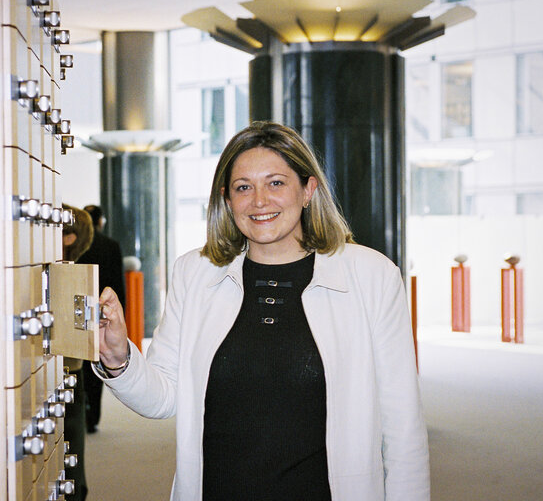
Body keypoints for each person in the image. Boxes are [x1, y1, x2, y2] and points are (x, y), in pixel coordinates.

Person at [93, 122, 430, 501]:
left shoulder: (371, 275)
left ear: (307, 190)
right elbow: (164, 396)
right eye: (243, 187)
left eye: (276, 183)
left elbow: (403, 428)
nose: (259, 201)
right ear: (226, 199)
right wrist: (120, 359)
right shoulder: (194, 272)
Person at [77, 204, 126, 433]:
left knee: (80, 365)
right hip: (102, 311)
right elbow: (118, 284)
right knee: (98, 361)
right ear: (100, 221)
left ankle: (81, 409)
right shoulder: (112, 245)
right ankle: (93, 417)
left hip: (78, 310)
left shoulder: (75, 244)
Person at [61, 205, 94, 501]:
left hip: (68, 375)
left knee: (70, 448)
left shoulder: (71, 280)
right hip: (68, 374)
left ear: (69, 238)